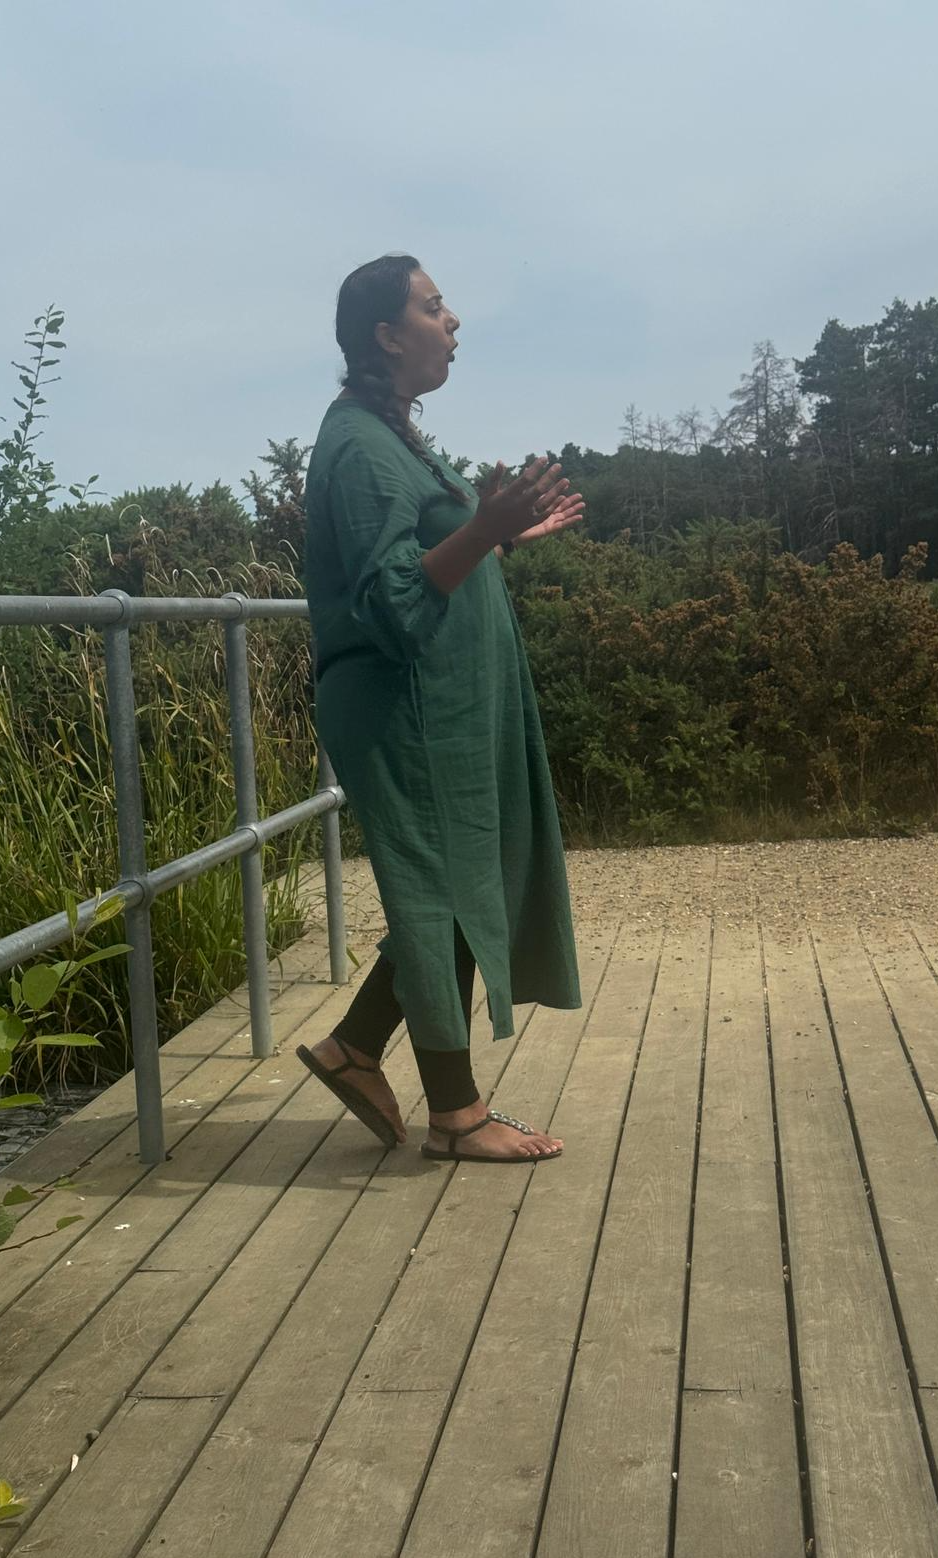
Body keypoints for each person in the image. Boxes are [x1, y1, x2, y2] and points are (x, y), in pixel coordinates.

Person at [298, 253, 584, 1164]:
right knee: (440, 889)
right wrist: (482, 529)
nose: (452, 319)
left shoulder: (395, 439)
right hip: (403, 707)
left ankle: (353, 1050)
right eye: (432, 306)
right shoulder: (356, 448)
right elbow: (390, 600)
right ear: (386, 336)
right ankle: (455, 1116)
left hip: (445, 707)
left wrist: (495, 538)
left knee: (465, 879)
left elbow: (429, 564)